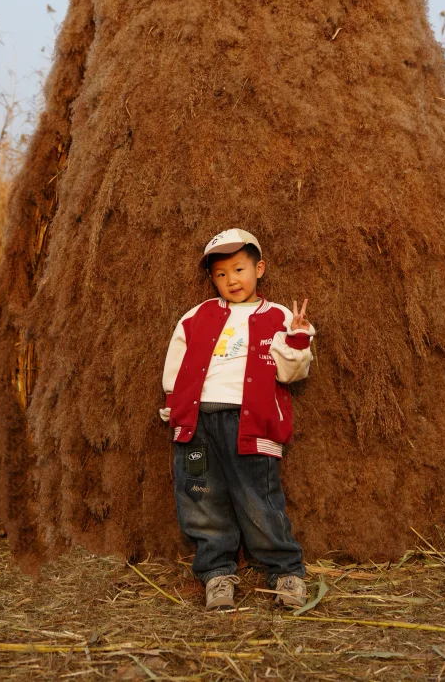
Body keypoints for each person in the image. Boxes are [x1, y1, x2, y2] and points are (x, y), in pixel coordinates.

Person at [160, 228, 315, 612]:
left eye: (240, 269)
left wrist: (296, 339)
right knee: (200, 499)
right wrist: (174, 407)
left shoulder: (278, 315)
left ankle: (286, 571)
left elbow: (290, 374)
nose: (232, 280)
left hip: (250, 425)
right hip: (197, 423)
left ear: (259, 268)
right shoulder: (198, 316)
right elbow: (175, 365)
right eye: (221, 274)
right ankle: (216, 575)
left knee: (259, 501)